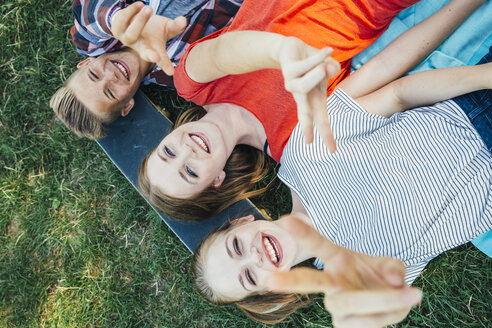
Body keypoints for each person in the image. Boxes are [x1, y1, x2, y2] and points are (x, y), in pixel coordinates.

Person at [191, 36, 492, 328]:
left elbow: (398, 95)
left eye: (237, 247)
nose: (254, 257)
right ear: (269, 289)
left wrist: (484, 77)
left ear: (240, 222)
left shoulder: (303, 154)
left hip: (474, 103)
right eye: (250, 277)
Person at [138, 0, 482, 221]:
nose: (187, 150)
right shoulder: (295, 146)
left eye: (168, 151)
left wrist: (282, 52)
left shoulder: (191, 84)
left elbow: (224, 52)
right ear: (217, 181)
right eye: (190, 172)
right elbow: (383, 71)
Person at [50, 0, 243, 139]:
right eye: (110, 92)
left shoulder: (91, 40)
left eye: (94, 74)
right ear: (127, 106)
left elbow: (90, 11)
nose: (110, 75)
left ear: (85, 62)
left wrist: (116, 20)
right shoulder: (178, 73)